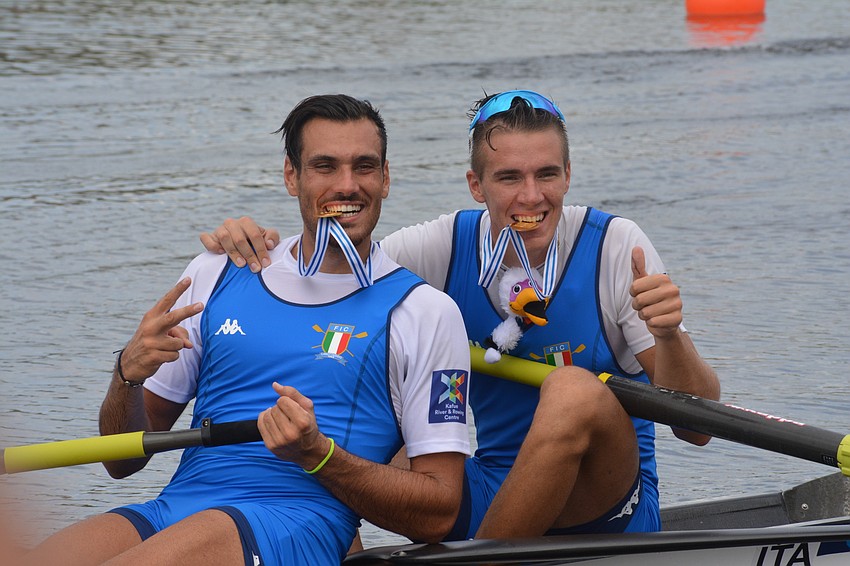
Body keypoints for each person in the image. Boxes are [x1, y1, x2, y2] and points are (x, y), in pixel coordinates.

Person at [200, 90, 721, 541]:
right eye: (509, 177)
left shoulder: (615, 246)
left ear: (568, 176)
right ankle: (330, 544)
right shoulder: (443, 247)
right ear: (477, 185)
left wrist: (669, 335)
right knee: (367, 418)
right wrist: (260, 247)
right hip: (494, 492)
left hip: (605, 503)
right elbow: (331, 272)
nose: (531, 196)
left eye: (547, 175)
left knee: (572, 391)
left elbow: (698, 430)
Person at [24, 94, 471, 565]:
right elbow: (120, 461)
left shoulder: (425, 312)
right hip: (173, 509)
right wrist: (126, 376)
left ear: (385, 178)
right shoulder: (217, 272)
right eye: (325, 166)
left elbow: (438, 512)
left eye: (364, 166)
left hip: (297, 521)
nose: (347, 185)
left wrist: (318, 454)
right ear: (291, 176)